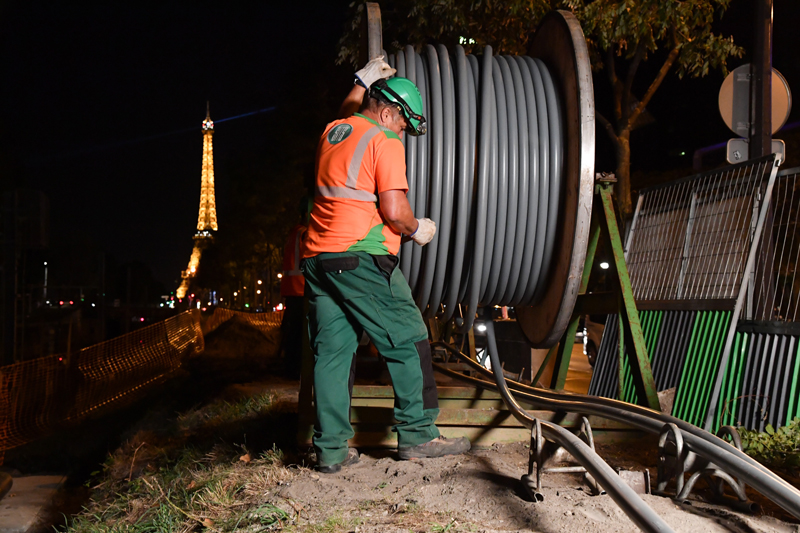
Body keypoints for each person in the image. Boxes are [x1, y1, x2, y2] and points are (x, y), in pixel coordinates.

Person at [301, 57, 470, 473]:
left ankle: (331, 453)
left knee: (333, 354)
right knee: (410, 335)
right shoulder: (384, 140)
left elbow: (348, 110)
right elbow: (394, 212)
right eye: (402, 124)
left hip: (319, 259)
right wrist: (418, 229)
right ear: (388, 112)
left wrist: (361, 81)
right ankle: (419, 434)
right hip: (361, 256)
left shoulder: (333, 133)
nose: (403, 134)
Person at [279, 197, 311, 379]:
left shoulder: (294, 232)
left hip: (292, 289)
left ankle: (290, 368)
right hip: (301, 289)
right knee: (300, 335)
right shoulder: (305, 234)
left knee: (292, 333)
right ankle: (295, 371)